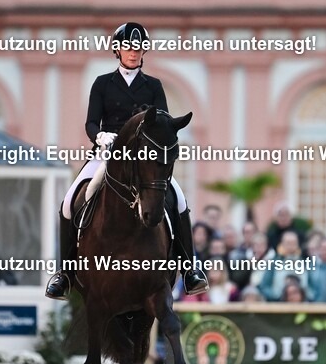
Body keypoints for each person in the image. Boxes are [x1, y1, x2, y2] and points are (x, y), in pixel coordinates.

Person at [45, 21, 208, 300]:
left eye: (138, 47)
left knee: (179, 200)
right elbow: (91, 123)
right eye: (128, 47)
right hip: (108, 155)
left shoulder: (153, 86)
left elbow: (164, 123)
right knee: (69, 203)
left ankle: (189, 269)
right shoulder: (102, 84)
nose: (133, 52)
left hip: (144, 159)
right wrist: (101, 138)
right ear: (117, 50)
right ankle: (65, 273)